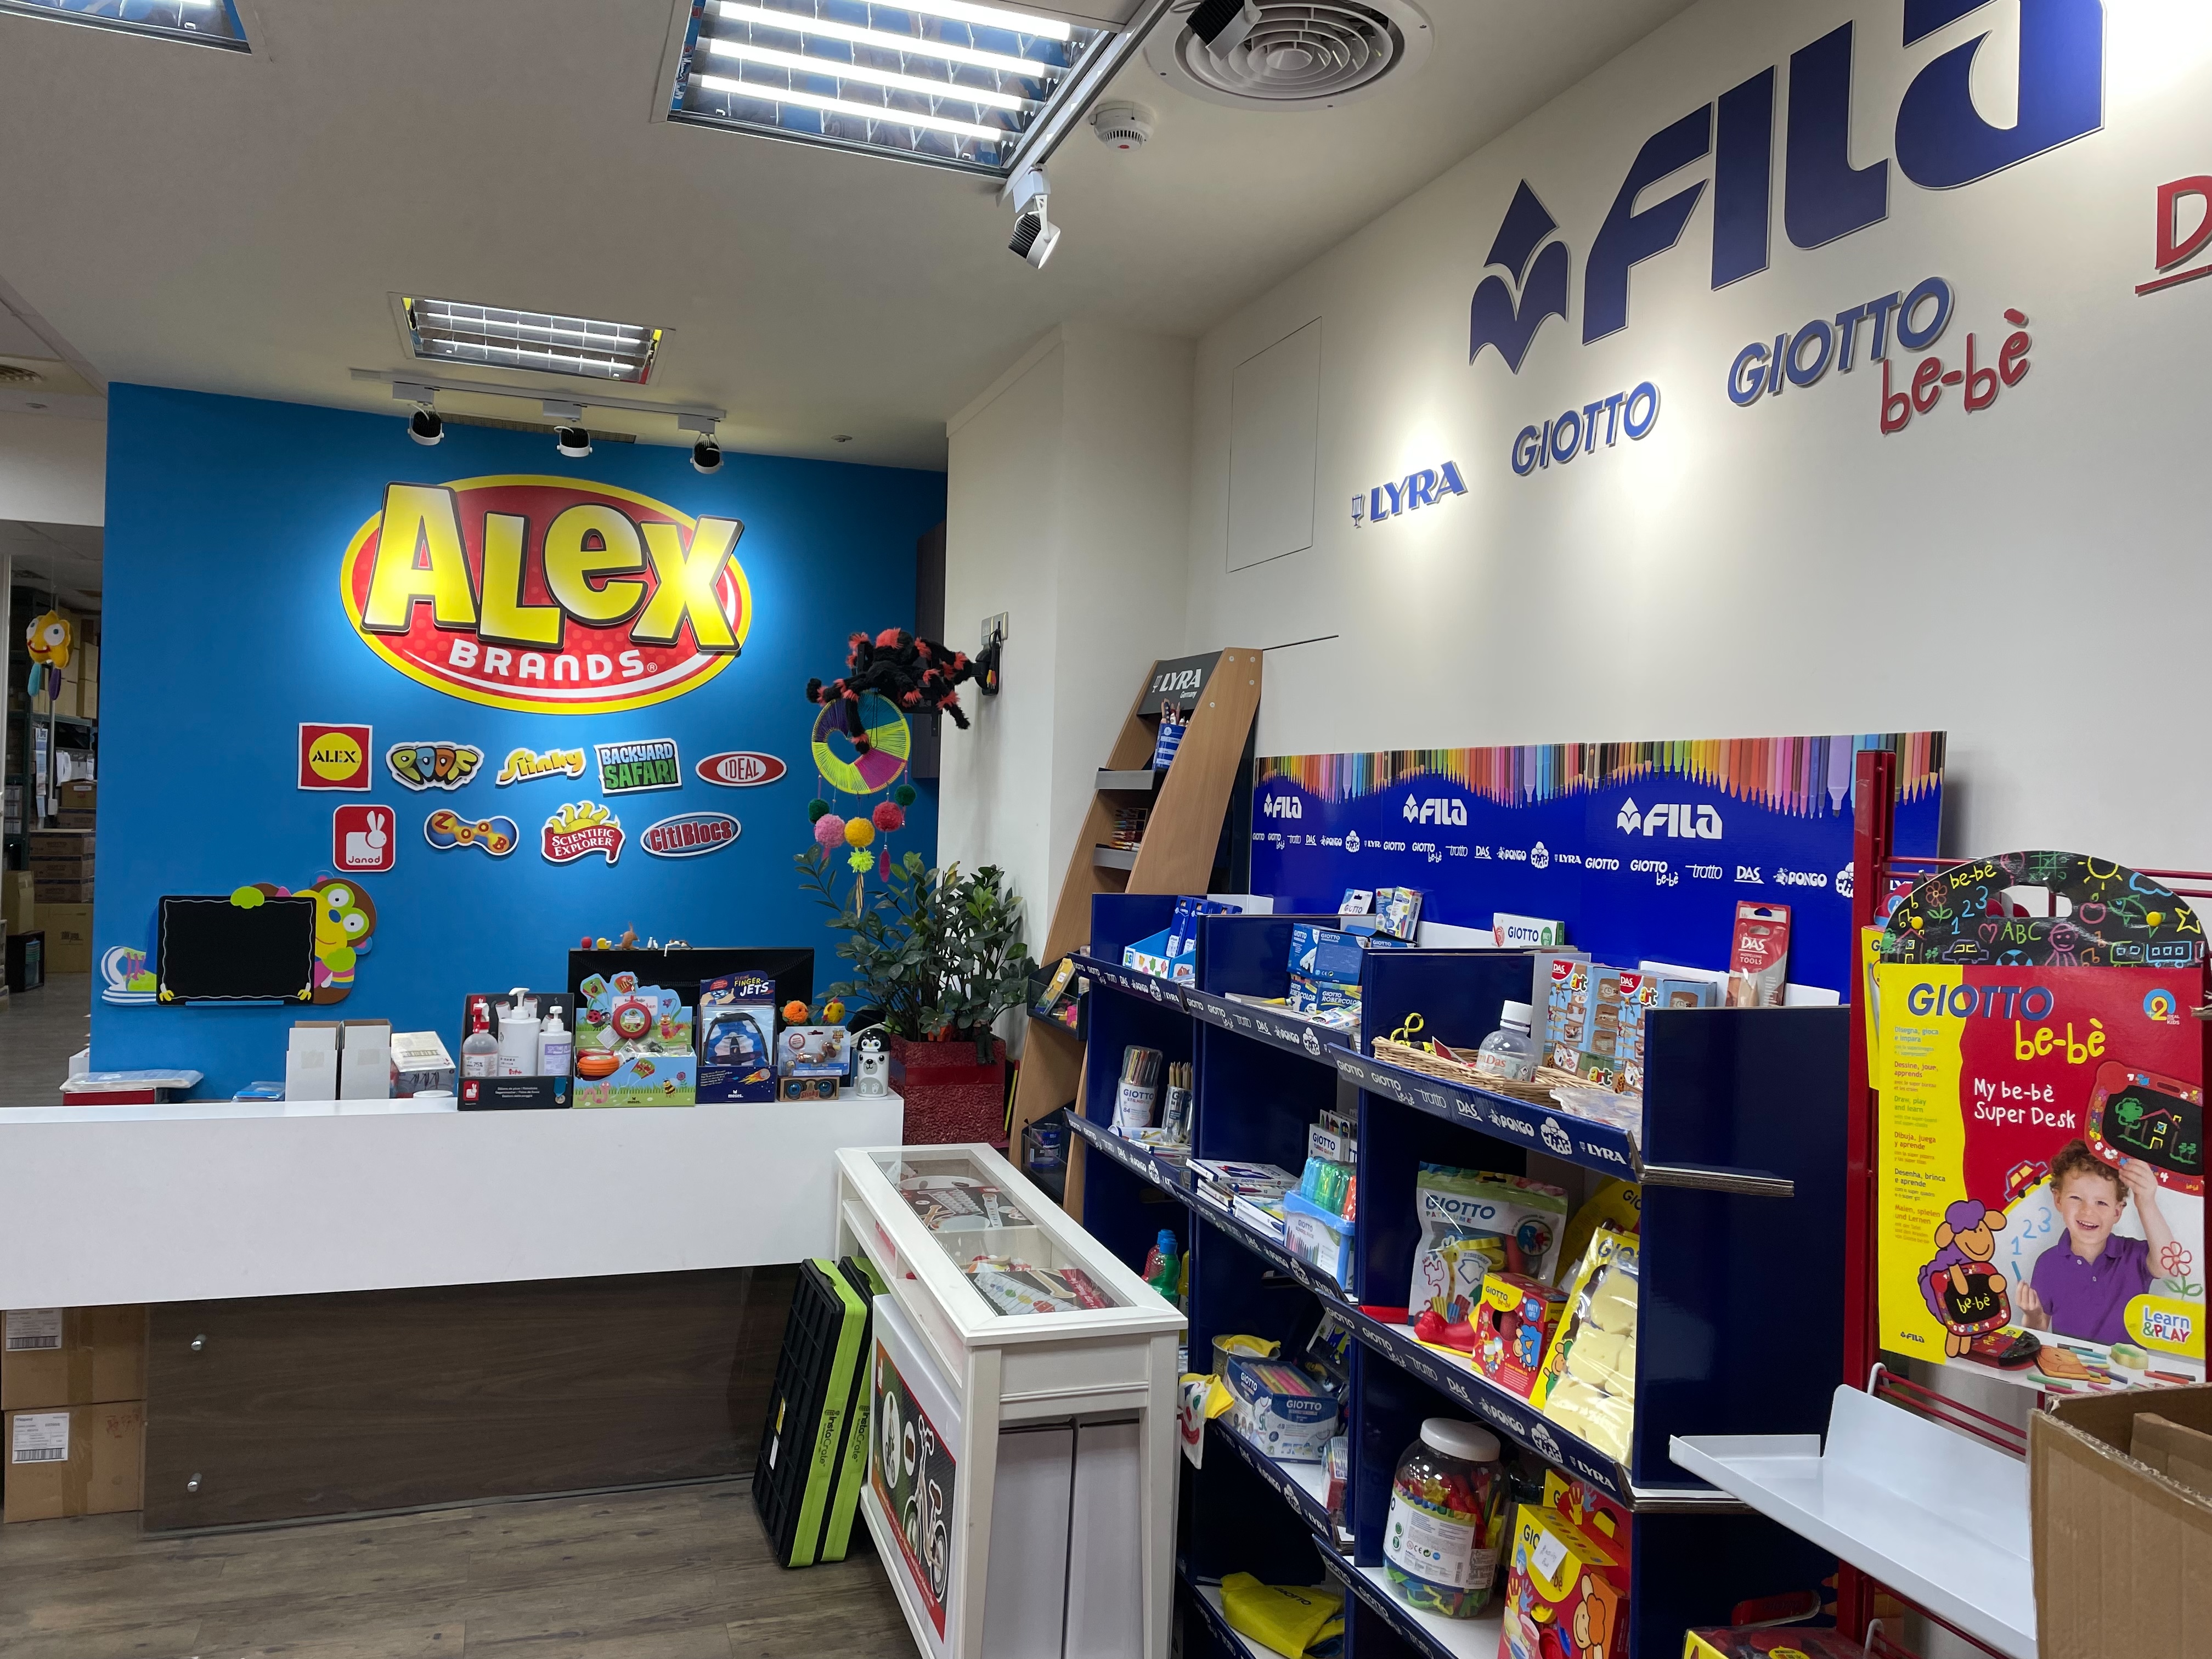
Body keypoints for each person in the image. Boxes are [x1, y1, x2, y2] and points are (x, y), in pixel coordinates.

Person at [2017, 1139, 2175, 1346]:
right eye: (2076, 1198)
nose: (2088, 1211)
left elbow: (2166, 1264)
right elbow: (2038, 1331)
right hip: (2068, 1365)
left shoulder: (2132, 1255)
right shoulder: (2048, 1263)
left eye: (2101, 1202)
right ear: (2058, 1200)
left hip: (2126, 1367)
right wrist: (2033, 1315)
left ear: (2117, 1211)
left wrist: (2146, 1202)